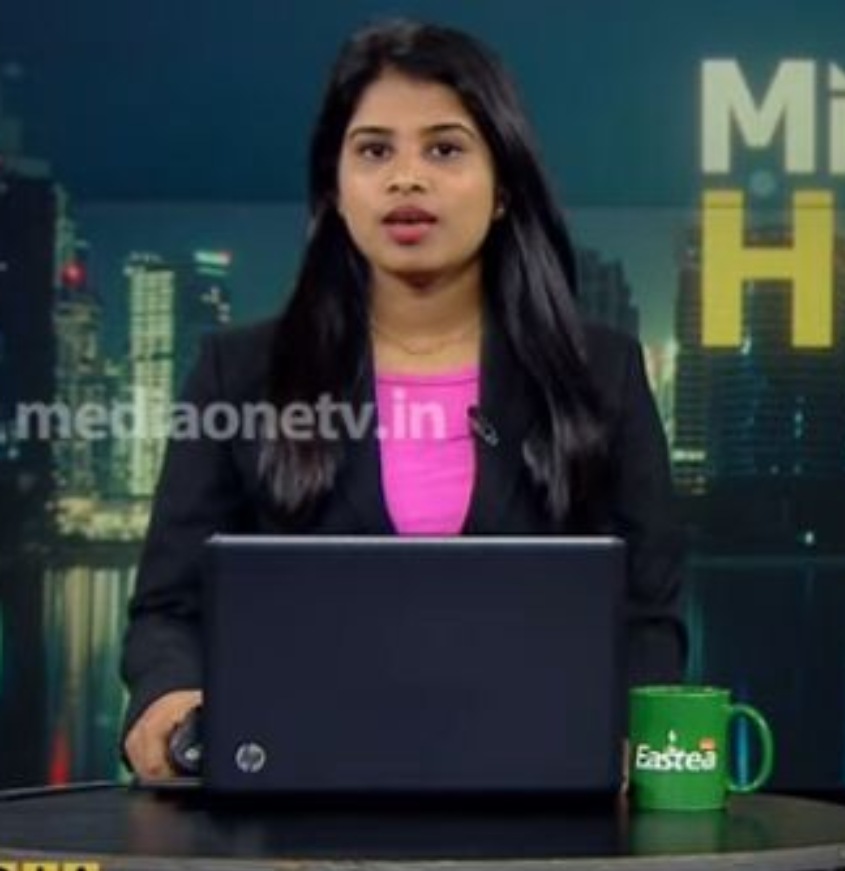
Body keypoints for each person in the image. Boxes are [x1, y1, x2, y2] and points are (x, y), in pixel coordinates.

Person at [120, 20, 686, 779]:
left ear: (503, 188)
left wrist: (626, 742)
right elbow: (168, 610)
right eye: (374, 151)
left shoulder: (600, 374)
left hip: (539, 799)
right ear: (334, 187)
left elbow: (649, 618)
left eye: (444, 150)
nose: (406, 179)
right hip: (295, 805)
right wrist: (168, 700)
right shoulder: (239, 373)